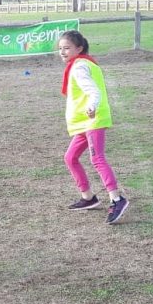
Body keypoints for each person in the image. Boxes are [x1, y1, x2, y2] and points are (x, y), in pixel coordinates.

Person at [57, 30, 129, 224]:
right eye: (60, 48)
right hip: (84, 121)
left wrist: (92, 107)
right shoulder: (82, 64)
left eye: (67, 48)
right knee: (70, 157)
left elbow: (93, 91)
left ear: (79, 48)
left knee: (97, 158)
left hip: (92, 119)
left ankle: (117, 199)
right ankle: (88, 197)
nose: (62, 52)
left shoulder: (80, 66)